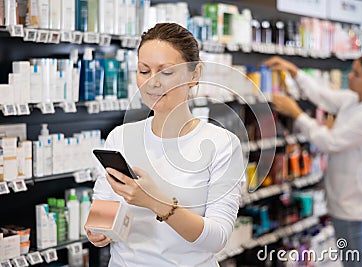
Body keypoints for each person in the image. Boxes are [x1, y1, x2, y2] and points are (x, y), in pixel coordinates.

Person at [86, 22, 245, 266]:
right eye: (144, 70)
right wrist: (98, 230)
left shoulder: (221, 144)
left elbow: (217, 239)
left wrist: (154, 201)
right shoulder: (120, 137)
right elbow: (103, 209)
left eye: (166, 72)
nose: (153, 83)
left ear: (195, 74)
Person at [264, 55, 362, 266]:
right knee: (351, 257)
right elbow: (324, 96)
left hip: (353, 200)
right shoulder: (356, 98)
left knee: (355, 260)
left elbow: (329, 142)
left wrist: (297, 114)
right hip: (344, 196)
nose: (350, 76)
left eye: (357, 74)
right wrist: (294, 72)